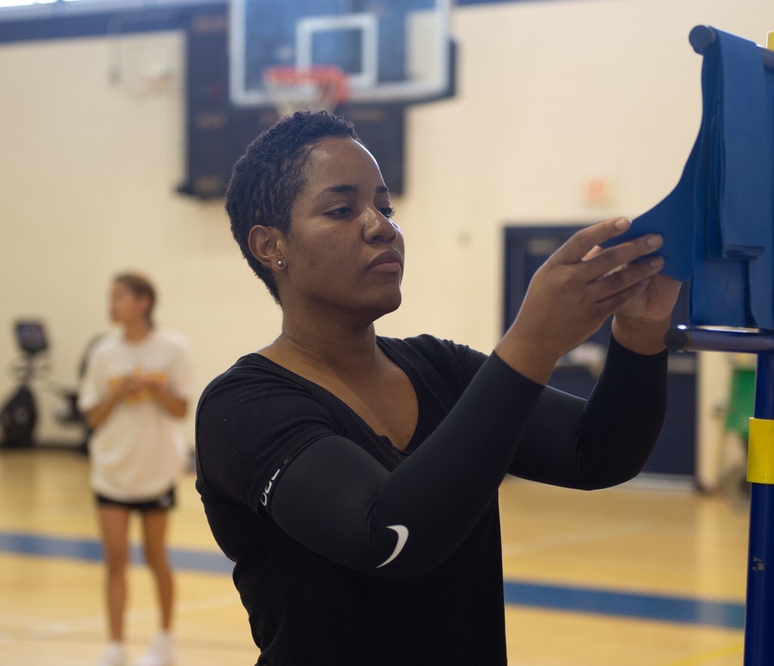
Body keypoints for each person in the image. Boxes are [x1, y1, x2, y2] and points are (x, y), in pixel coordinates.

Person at [194, 110, 682, 665]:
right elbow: (389, 537)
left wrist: (641, 330)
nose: (381, 225)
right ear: (270, 246)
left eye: (385, 205)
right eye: (341, 208)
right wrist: (531, 345)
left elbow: (598, 454)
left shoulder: (440, 367)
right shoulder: (241, 407)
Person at [79, 272, 193, 666]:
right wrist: (116, 391)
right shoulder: (102, 353)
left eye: (120, 296)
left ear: (143, 301)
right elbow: (91, 417)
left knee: (156, 556)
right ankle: (115, 645)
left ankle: (165, 639)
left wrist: (153, 386)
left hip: (156, 469)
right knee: (115, 560)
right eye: (111, 297)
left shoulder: (173, 348)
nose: (112, 305)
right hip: (112, 469)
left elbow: (182, 409)